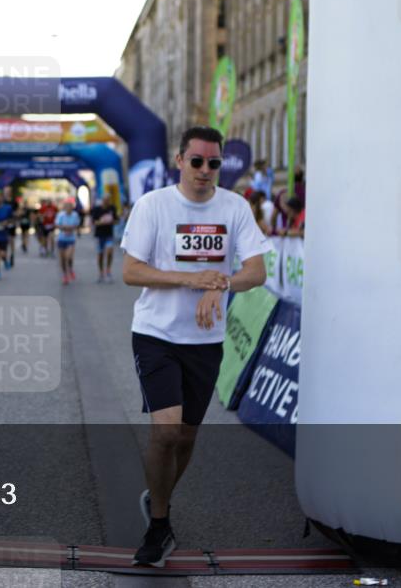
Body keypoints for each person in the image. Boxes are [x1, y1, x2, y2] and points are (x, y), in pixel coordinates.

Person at [121, 126, 270, 567]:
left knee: (186, 437)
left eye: (214, 163)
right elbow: (132, 271)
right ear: (180, 162)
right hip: (156, 334)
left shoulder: (235, 207)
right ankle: (160, 524)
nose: (206, 171)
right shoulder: (154, 206)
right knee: (165, 431)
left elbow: (257, 271)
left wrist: (222, 281)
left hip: (205, 341)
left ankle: (159, 496)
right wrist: (191, 279)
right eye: (198, 161)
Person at [91, 195, 118, 283]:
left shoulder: (112, 208)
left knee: (110, 252)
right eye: (105, 200)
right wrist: (101, 222)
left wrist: (111, 221)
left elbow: (116, 220)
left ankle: (108, 270)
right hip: (99, 235)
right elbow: (94, 222)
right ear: (102, 200)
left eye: (108, 200)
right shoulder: (97, 209)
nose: (106, 202)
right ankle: (101, 273)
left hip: (109, 235)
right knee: (100, 255)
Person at [55, 199, 81, 284]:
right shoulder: (61, 215)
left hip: (71, 240)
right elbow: (57, 224)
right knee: (62, 259)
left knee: (68, 257)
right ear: (64, 208)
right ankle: (65, 274)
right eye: (66, 207)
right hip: (61, 239)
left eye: (70, 207)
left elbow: (77, 225)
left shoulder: (75, 215)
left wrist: (72, 228)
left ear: (72, 208)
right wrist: (64, 227)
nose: (68, 208)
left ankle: (70, 269)